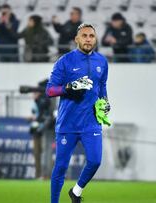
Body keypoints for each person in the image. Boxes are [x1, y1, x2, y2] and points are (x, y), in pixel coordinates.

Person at [46, 23, 110, 203]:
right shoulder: (64, 61)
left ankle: (76, 191)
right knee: (60, 168)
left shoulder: (102, 62)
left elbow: (102, 86)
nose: (88, 39)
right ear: (77, 39)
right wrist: (68, 87)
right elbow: (50, 91)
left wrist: (105, 102)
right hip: (68, 123)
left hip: (91, 122)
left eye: (91, 36)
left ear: (95, 39)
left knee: (95, 161)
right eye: (84, 36)